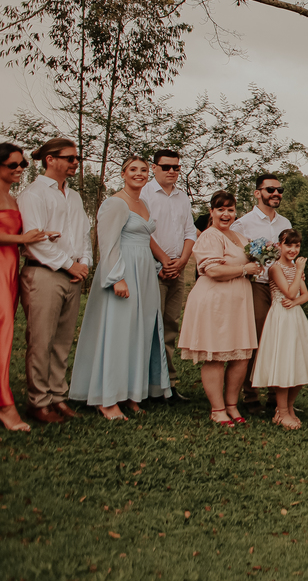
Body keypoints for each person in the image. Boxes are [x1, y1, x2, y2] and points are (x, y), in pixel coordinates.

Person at [68, 157, 172, 419]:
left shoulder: (143, 203)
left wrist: (158, 264)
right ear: (123, 174)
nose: (139, 174)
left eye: (144, 170)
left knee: (139, 332)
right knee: (117, 332)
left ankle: (129, 393)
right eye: (133, 169)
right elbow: (108, 243)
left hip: (144, 274)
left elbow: (144, 239)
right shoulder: (115, 203)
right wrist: (117, 278)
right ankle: (106, 398)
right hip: (123, 272)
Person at [18, 138, 91, 425]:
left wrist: (84, 263)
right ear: (50, 159)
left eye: (77, 158)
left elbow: (83, 233)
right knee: (41, 340)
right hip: (44, 273)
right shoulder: (33, 194)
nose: (75, 163)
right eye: (70, 158)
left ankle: (58, 396)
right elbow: (35, 239)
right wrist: (70, 264)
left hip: (72, 274)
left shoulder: (73, 196)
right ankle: (38, 401)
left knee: (62, 341)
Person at [178, 190, 261, 427]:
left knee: (241, 355)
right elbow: (212, 270)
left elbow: (250, 263)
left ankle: (232, 405)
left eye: (230, 210)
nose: (226, 214)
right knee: (215, 356)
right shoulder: (209, 236)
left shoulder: (239, 237)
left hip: (239, 302)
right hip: (215, 301)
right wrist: (244, 270)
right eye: (221, 209)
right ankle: (217, 409)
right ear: (212, 212)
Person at [251, 229, 308, 430]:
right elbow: (289, 292)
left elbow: (305, 296)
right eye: (288, 245)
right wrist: (299, 270)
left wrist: (295, 301)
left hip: (295, 316)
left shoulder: (295, 268)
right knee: (284, 363)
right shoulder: (275, 268)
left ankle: (288, 406)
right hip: (280, 317)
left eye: (297, 246)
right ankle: (282, 411)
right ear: (279, 246)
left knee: (302, 361)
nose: (293, 249)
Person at [0, 143, 52, 432]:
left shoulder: (12, 196)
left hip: (10, 270)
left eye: (23, 164)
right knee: (3, 334)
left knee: (5, 337)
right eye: (13, 165)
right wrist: (22, 240)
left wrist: (40, 236)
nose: (20, 169)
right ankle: (6, 407)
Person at [231, 173, 291, 412]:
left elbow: (288, 253)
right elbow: (235, 255)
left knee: (279, 340)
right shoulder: (243, 223)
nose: (276, 193)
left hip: (280, 288)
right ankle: (251, 397)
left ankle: (276, 396)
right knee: (254, 341)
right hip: (256, 285)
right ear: (257, 193)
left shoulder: (285, 223)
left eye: (279, 190)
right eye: (270, 190)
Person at [142, 149, 197, 400]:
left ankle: (168, 384)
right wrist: (164, 261)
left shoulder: (182, 197)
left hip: (177, 268)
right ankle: (145, 385)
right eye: (166, 167)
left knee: (170, 326)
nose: (172, 171)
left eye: (176, 167)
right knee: (149, 327)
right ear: (154, 167)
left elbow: (190, 232)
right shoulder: (144, 194)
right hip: (152, 267)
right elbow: (143, 231)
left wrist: (182, 262)